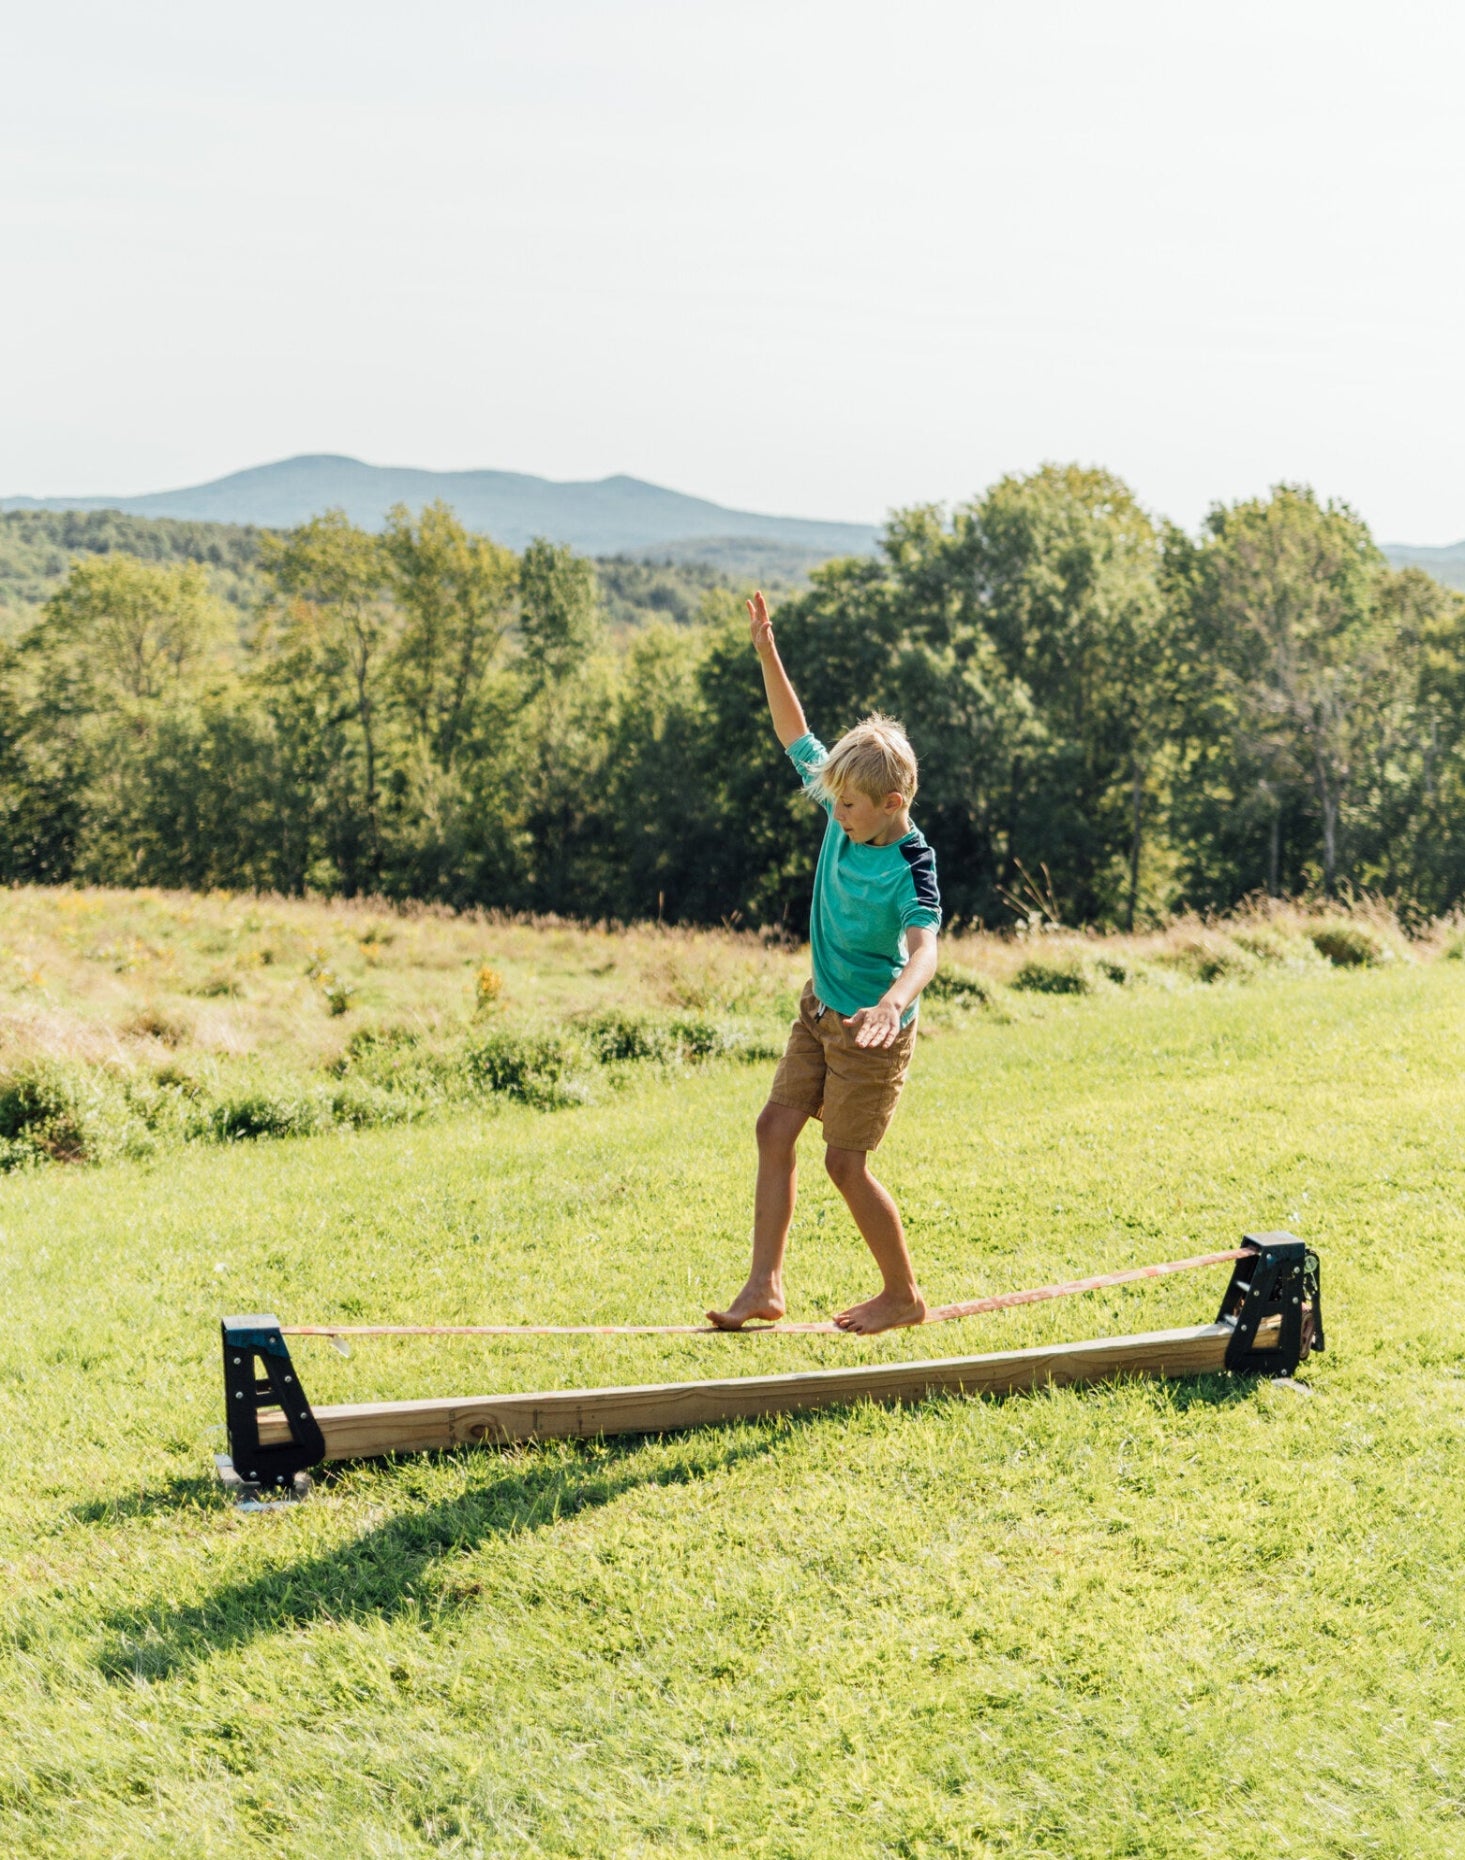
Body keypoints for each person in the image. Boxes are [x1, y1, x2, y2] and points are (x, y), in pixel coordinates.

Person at [708, 590, 941, 1335]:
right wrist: (765, 647)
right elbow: (794, 732)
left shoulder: (913, 862)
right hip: (820, 1008)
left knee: (845, 1164)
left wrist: (891, 1002)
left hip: (873, 1030)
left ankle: (902, 1294)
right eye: (832, 799)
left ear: (890, 800)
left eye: (844, 806)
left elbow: (926, 948)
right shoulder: (849, 796)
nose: (831, 813)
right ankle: (762, 1289)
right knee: (773, 1129)